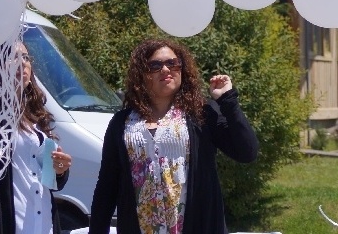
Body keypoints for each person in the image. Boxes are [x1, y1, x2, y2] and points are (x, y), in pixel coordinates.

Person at [89, 38, 259, 234]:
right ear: (142, 74)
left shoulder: (200, 115)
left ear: (182, 69)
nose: (166, 69)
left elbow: (247, 152)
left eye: (173, 63)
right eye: (155, 65)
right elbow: (107, 185)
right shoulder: (123, 122)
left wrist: (228, 100)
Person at [0, 41, 73, 234]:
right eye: (12, 56)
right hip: (6, 225)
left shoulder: (36, 118)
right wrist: (5, 26)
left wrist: (59, 170)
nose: (21, 62)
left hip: (42, 225)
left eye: (26, 57)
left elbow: (45, 179)